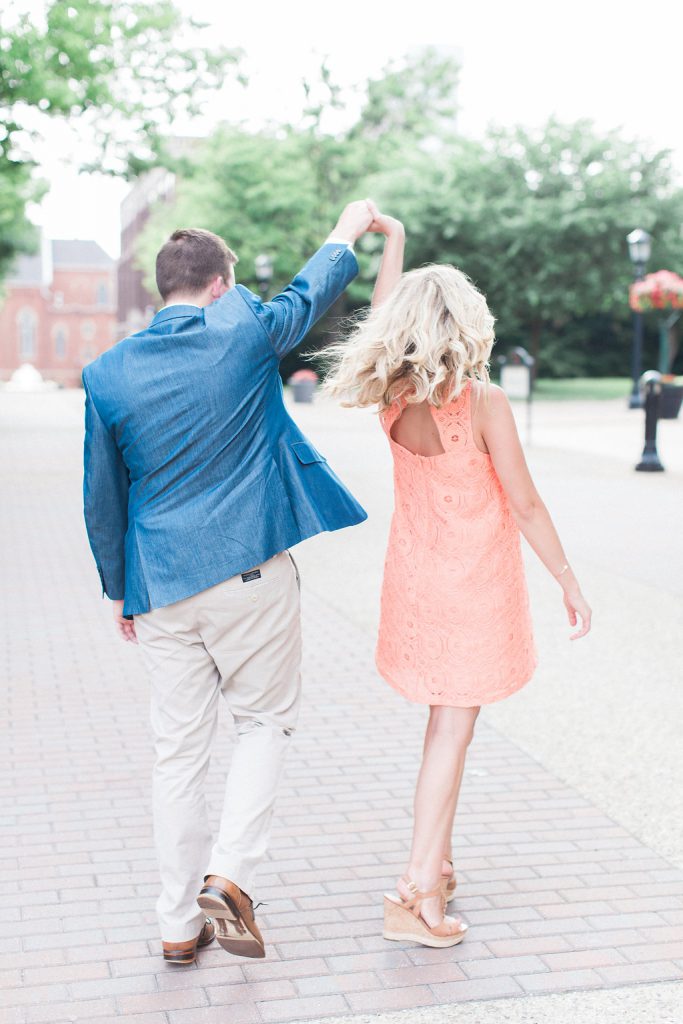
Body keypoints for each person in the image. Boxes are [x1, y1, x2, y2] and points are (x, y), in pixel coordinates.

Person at [82, 200, 377, 964]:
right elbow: (309, 297)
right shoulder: (242, 333)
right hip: (248, 574)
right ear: (220, 286)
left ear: (163, 290)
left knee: (177, 754)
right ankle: (231, 876)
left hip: (161, 588)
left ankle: (178, 922)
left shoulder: (107, 373)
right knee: (262, 723)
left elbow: (101, 492)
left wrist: (120, 589)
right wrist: (347, 229)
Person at [323, 210, 592, 949]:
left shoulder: (393, 396)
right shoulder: (480, 402)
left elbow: (380, 317)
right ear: (464, 322)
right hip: (468, 591)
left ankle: (434, 862)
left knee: (442, 725)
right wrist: (568, 581)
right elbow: (526, 503)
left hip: (415, 586)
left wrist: (395, 245)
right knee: (452, 730)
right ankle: (416, 892)